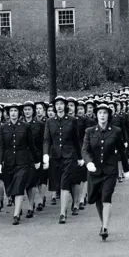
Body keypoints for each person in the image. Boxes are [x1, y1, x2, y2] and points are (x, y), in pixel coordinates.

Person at [82, 104, 129, 240]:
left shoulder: (116, 131)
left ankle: (105, 227)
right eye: (100, 113)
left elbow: (121, 151)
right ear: (96, 115)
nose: (102, 115)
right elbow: (85, 150)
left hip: (110, 170)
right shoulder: (90, 131)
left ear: (108, 115)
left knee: (106, 196)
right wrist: (89, 162)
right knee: (97, 198)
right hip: (94, 170)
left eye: (105, 113)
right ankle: (103, 222)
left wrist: (126, 169)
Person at [0, 104, 40, 225]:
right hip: (9, 162)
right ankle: (18, 208)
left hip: (23, 161)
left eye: (15, 111)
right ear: (8, 113)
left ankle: (16, 215)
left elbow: (31, 144)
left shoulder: (25, 126)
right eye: (11, 111)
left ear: (18, 113)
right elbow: (0, 146)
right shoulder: (3, 127)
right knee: (11, 187)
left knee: (19, 185)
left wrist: (37, 160)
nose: (13, 113)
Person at [43, 96, 83, 224]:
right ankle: (70, 205)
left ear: (65, 106)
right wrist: (45, 154)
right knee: (60, 182)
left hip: (70, 155)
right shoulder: (49, 121)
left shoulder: (72, 120)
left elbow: (76, 140)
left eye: (61, 104)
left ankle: (62, 213)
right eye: (57, 104)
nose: (59, 106)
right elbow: (47, 140)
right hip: (55, 157)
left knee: (65, 182)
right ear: (54, 107)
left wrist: (80, 157)